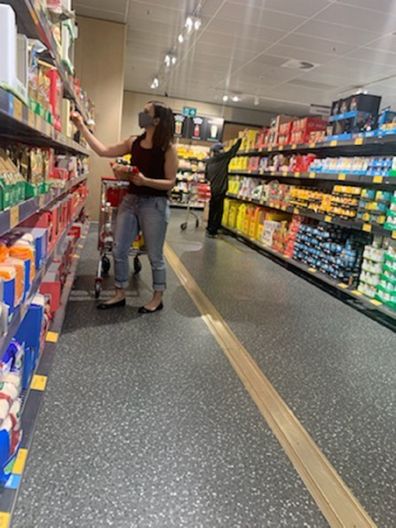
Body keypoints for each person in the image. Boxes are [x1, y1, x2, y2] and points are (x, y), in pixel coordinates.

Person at [71, 101, 178, 313]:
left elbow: (171, 182)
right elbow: (103, 150)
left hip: (155, 204)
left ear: (156, 120)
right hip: (131, 200)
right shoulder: (133, 142)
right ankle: (119, 293)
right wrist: (81, 126)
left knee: (155, 255)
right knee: (119, 249)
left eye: (146, 113)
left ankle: (157, 297)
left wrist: (145, 181)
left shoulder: (168, 148)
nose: (142, 115)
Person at [205, 138, 242, 237]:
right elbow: (233, 151)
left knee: (213, 208)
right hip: (221, 188)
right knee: (218, 210)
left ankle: (209, 227)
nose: (223, 151)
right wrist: (240, 140)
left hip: (213, 188)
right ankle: (214, 230)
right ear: (219, 151)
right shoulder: (223, 158)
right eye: (222, 149)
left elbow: (207, 177)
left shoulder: (209, 162)